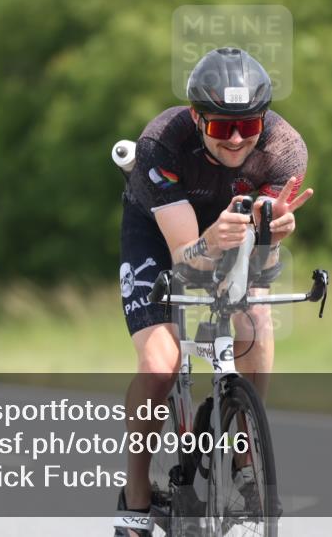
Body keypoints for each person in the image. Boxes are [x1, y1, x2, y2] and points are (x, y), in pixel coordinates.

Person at [114, 47, 314, 536]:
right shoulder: (163, 142)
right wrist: (210, 241)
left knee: (256, 321)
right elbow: (187, 259)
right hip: (165, 233)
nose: (239, 139)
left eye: (250, 125)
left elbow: (261, 262)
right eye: (224, 127)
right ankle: (137, 496)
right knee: (161, 363)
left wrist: (268, 236)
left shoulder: (285, 149)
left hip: (230, 231)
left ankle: (247, 457)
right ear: (197, 118)